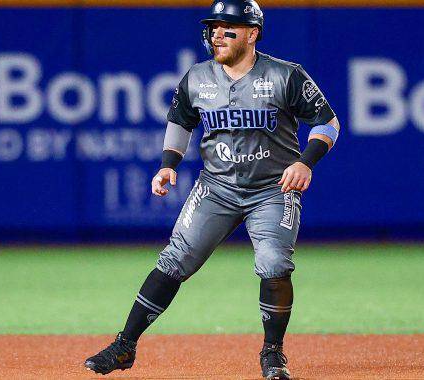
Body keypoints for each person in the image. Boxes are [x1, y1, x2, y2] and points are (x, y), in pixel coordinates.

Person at [84, 1, 340, 378]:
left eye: (228, 28)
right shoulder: (198, 77)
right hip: (216, 187)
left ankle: (272, 354)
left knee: (273, 263)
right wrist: (167, 165)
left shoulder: (286, 75)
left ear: (252, 33)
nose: (217, 34)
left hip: (272, 188)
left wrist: (305, 161)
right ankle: (124, 347)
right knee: (173, 261)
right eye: (214, 27)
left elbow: (328, 123)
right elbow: (180, 121)